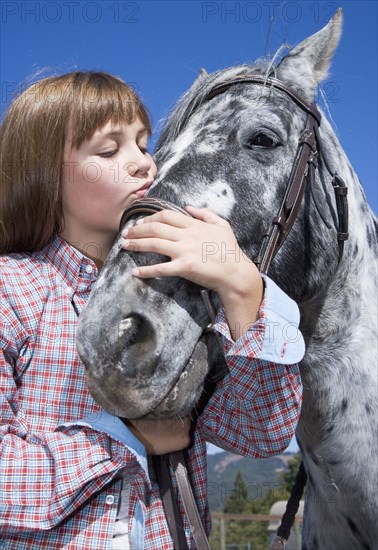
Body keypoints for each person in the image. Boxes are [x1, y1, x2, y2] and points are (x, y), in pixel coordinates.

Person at [0, 71, 304, 549]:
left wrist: (244, 289)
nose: (144, 163)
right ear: (41, 173)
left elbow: (259, 434)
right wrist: (124, 439)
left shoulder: (183, 302)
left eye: (143, 144)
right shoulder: (12, 291)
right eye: (109, 150)